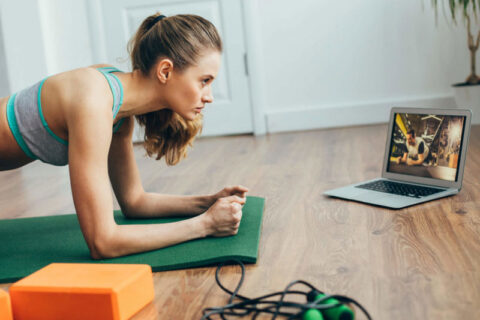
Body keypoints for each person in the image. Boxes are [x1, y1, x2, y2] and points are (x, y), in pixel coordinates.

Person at [0, 13, 249, 259]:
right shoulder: (95, 102)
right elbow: (102, 241)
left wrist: (207, 202)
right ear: (165, 71)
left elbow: (134, 201)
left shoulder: (119, 111)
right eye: (204, 81)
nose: (209, 96)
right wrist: (205, 225)